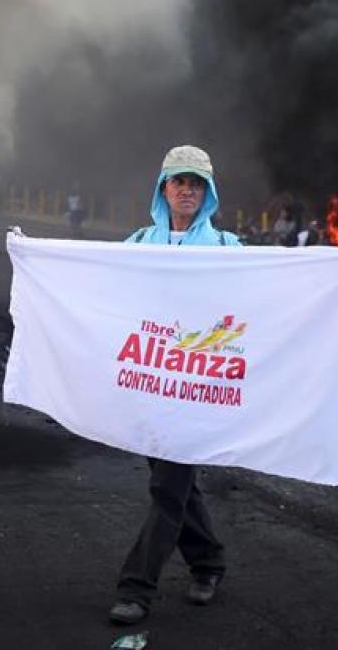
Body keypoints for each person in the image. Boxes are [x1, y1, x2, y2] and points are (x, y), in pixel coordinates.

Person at [111, 145, 240, 625]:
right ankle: (208, 563)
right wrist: (33, 254)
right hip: (148, 384)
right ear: (163, 189)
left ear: (208, 193)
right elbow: (95, 283)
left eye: (196, 183)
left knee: (169, 486)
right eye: (178, 181)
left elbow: (279, 286)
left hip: (197, 389)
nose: (187, 190)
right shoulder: (139, 242)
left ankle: (136, 590)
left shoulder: (228, 248)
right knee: (176, 483)